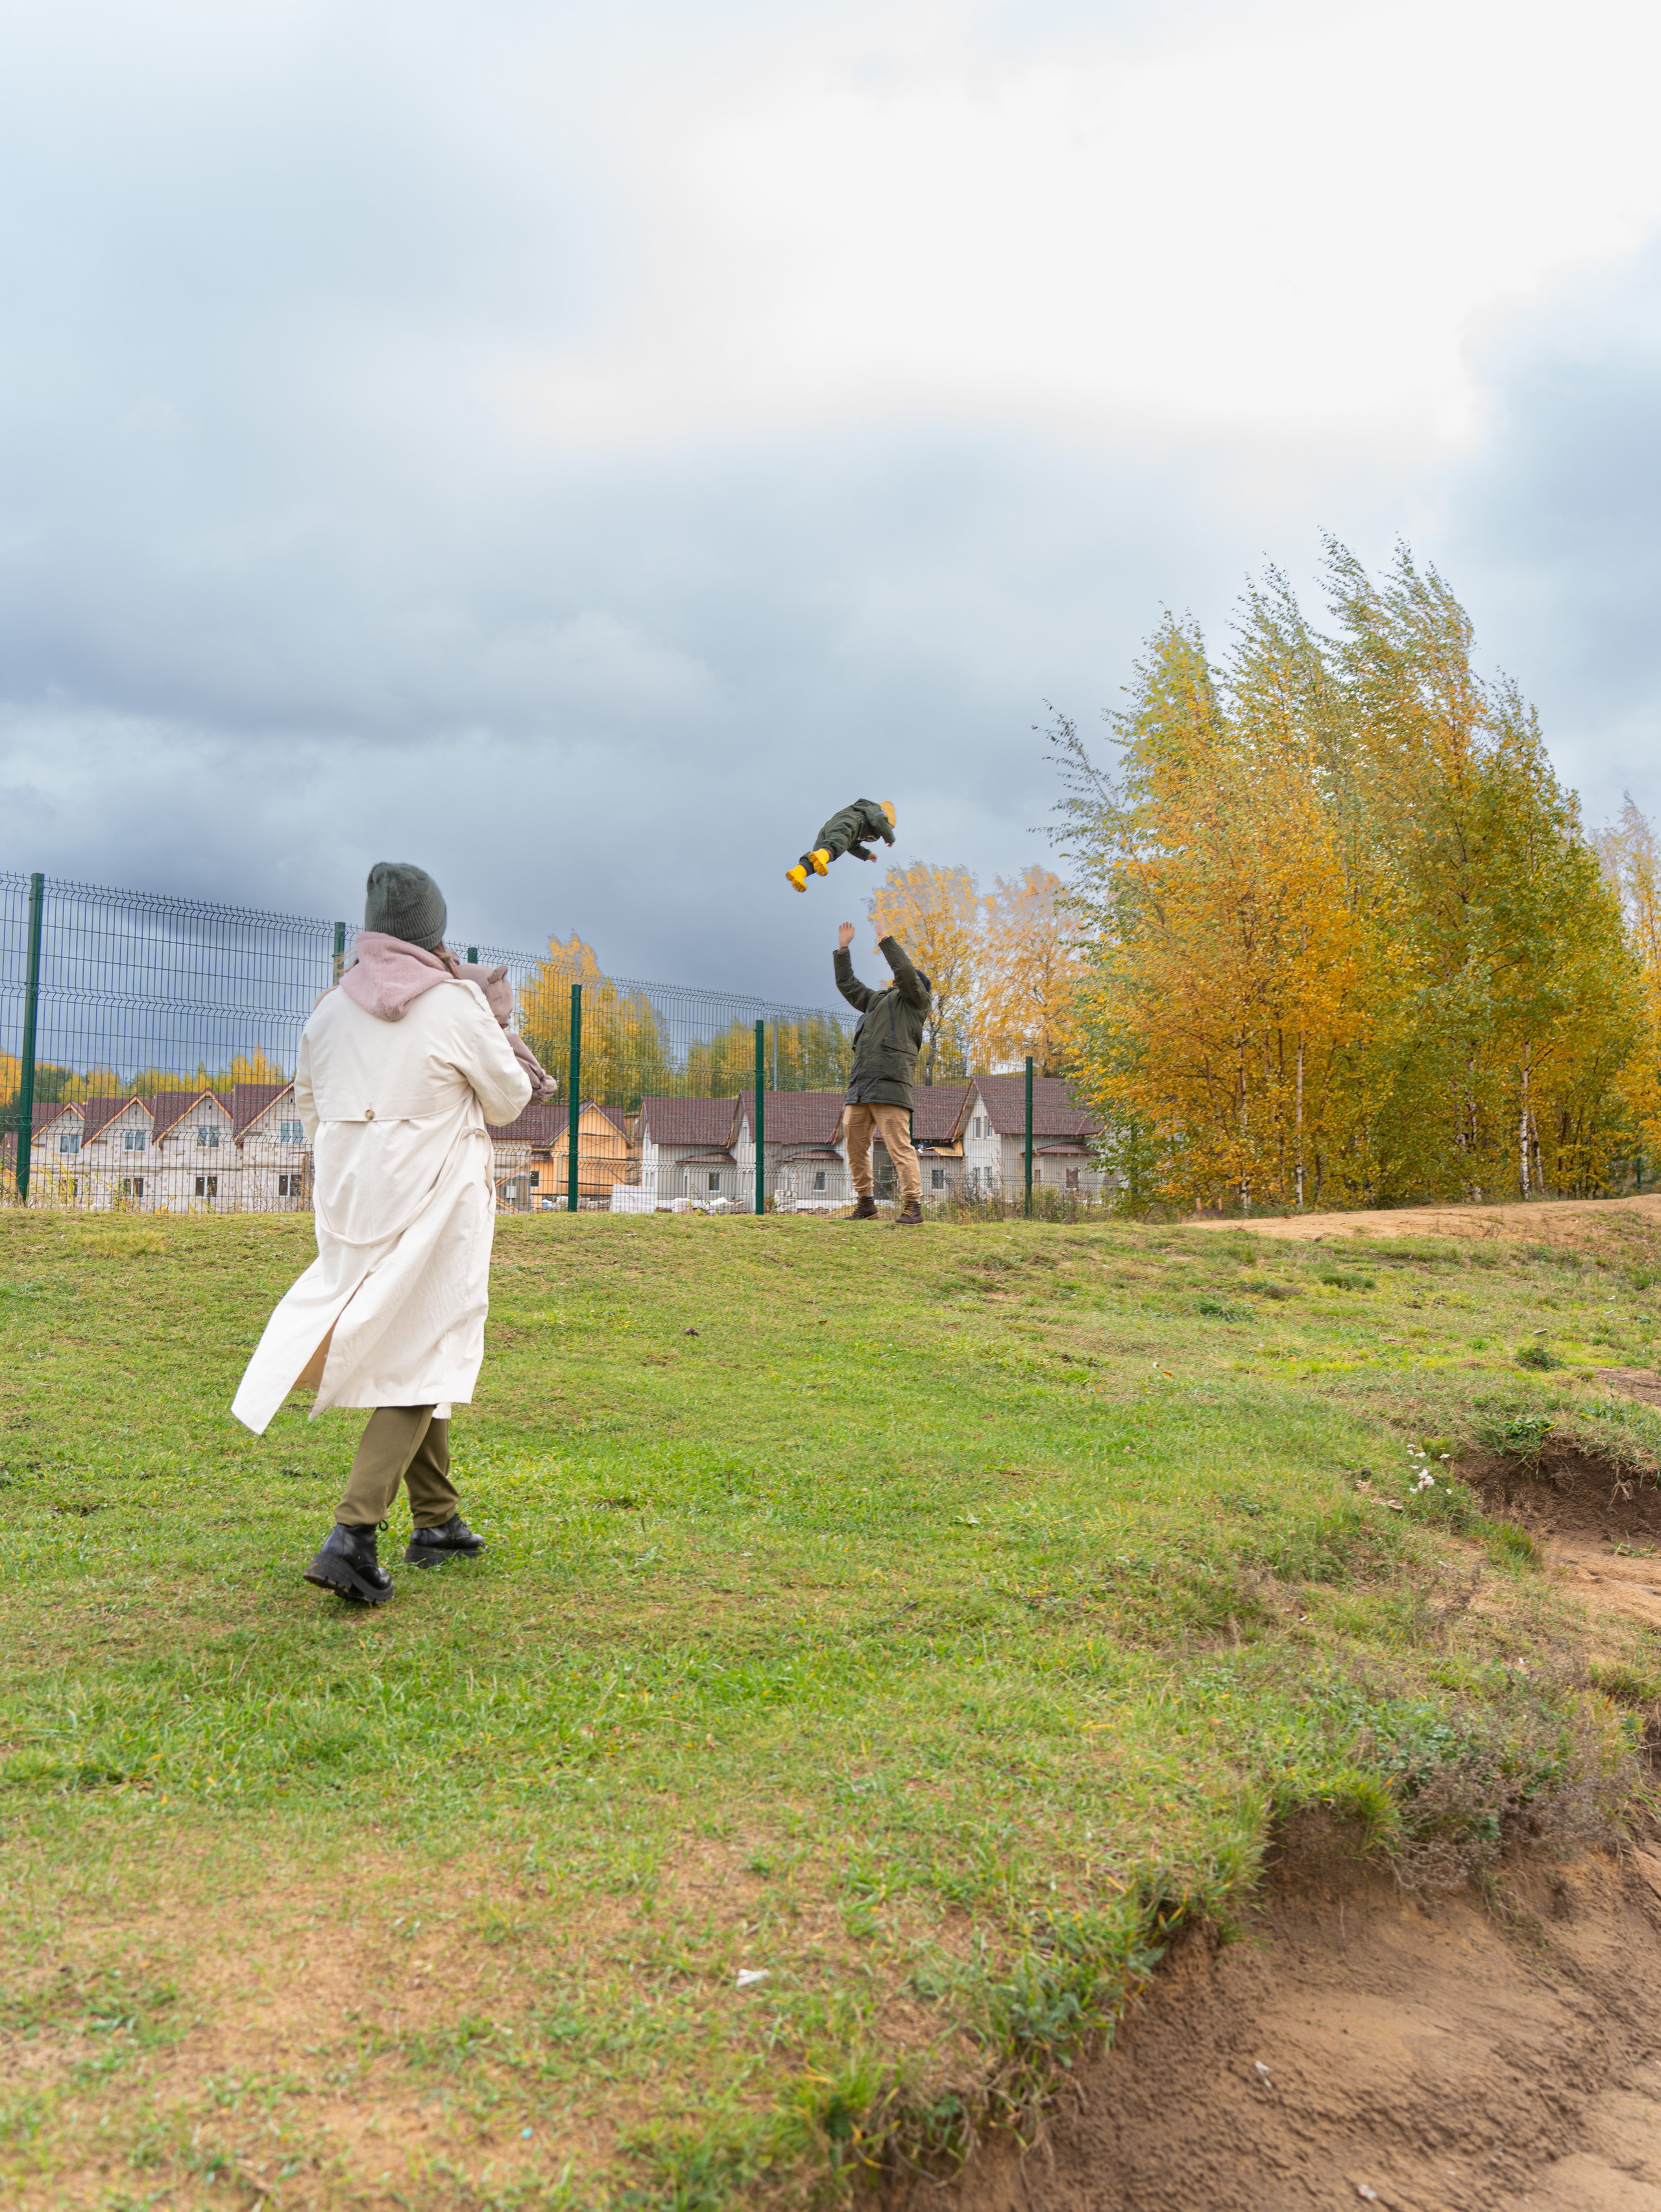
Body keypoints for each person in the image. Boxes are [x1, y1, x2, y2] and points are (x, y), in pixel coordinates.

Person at [231, 862, 536, 1604]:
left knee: (408, 1336)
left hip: (350, 1196)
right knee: (426, 1341)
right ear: (433, 931)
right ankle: (353, 1532)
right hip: (433, 1190)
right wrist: (500, 1025)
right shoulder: (455, 1004)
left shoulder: (328, 1010)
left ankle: (437, 1518)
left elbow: (308, 1101)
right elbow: (508, 1099)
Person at [834, 919, 929, 1227]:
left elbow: (904, 972)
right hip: (861, 1086)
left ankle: (913, 1206)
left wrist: (886, 939)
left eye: (906, 979)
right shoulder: (876, 1001)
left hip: (891, 1085)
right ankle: (866, 1203)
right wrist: (843, 949)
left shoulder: (916, 1003)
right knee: (855, 1146)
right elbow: (848, 985)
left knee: (899, 1148)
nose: (898, 979)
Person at [786, 799, 896, 893]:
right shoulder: (877, 811)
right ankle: (823, 853)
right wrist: (890, 838)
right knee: (836, 845)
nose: (885, 831)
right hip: (848, 824)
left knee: (818, 857)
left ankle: (799, 872)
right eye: (889, 828)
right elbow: (880, 820)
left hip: (830, 827)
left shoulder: (864, 818)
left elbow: (852, 846)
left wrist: (867, 855)